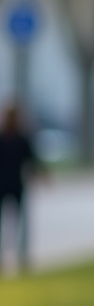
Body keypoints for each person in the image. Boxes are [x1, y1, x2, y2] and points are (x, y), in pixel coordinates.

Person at [0, 101, 42, 272]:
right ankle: (14, 257)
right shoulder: (6, 138)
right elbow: (33, 161)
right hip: (5, 184)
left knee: (20, 223)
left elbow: (32, 160)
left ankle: (22, 256)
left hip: (14, 184)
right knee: (13, 222)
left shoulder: (21, 138)